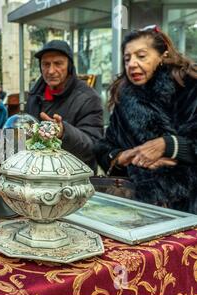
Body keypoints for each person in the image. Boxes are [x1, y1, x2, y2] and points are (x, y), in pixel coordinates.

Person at [95, 26, 197, 214]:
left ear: (163, 56)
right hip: (138, 207)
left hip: (189, 206)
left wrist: (169, 145)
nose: (132, 64)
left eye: (141, 56)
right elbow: (103, 147)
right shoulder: (123, 98)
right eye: (127, 59)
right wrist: (120, 157)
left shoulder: (190, 87)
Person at [26, 40, 103, 170]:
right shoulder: (34, 95)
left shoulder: (88, 98)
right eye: (46, 64)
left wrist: (63, 132)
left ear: (69, 66)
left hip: (74, 179)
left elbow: (93, 146)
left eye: (58, 63)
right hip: (38, 174)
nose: (50, 71)